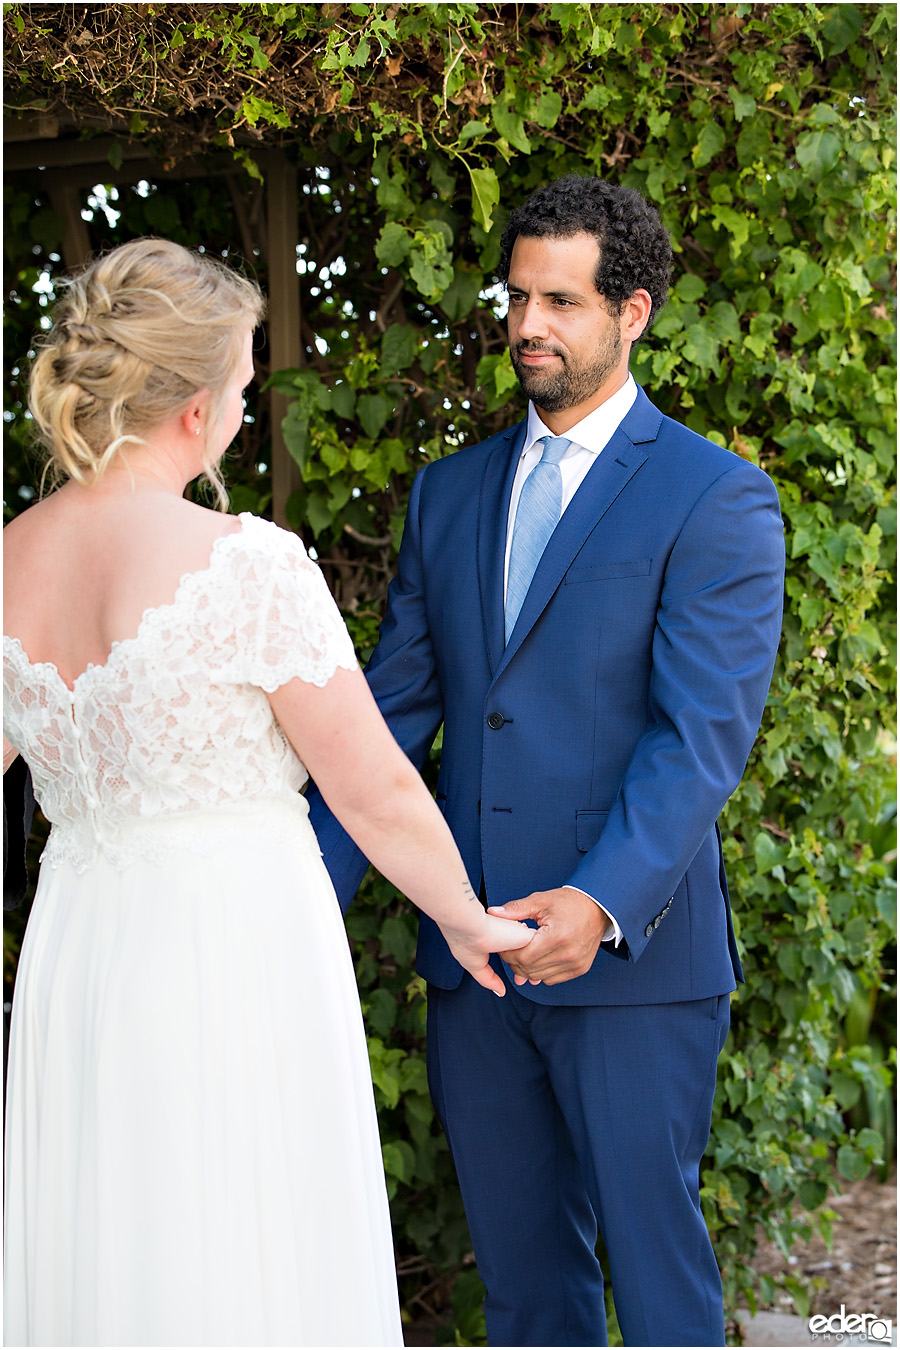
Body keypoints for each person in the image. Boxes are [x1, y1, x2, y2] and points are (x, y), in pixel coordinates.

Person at [1, 237, 533, 1348]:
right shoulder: (245, 564)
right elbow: (376, 786)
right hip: (233, 949)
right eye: (243, 389)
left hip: (84, 944)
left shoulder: (10, 559)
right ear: (196, 410)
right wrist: (465, 915)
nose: (244, 411)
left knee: (112, 1230)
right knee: (246, 1231)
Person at [307, 175, 786, 1347]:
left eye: (560, 302)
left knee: (660, 1283)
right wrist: (294, 886)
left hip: (633, 966)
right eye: (518, 296)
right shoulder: (451, 491)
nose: (527, 324)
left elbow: (699, 738)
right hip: (472, 963)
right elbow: (388, 718)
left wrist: (601, 902)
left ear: (635, 312)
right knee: (525, 1295)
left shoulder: (715, 497)